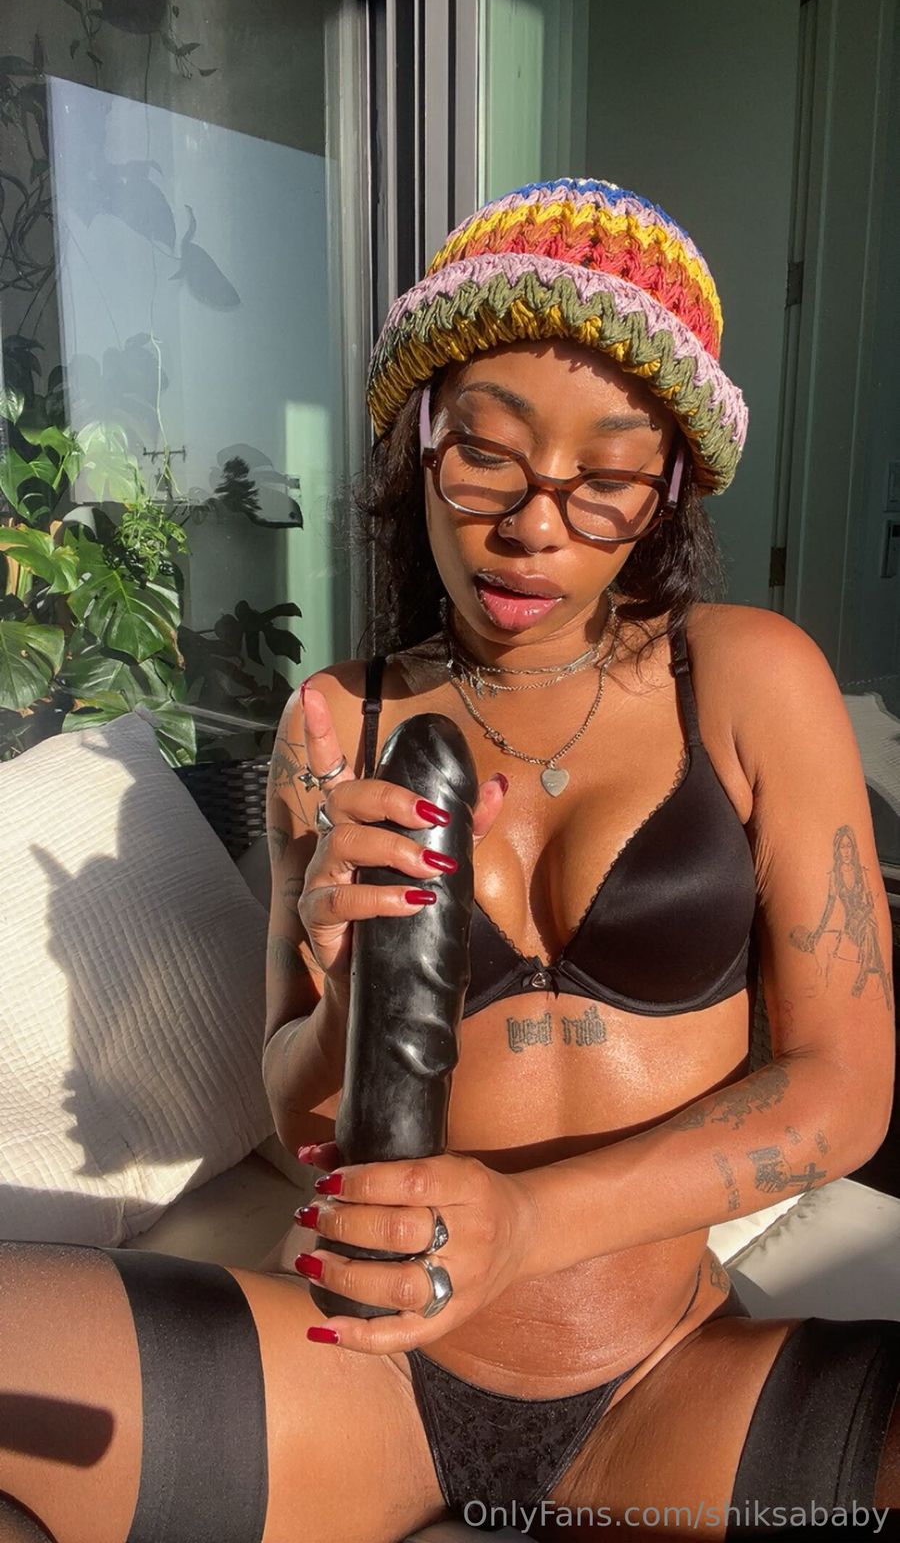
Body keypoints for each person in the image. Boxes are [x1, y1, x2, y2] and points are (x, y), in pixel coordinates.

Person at [1, 176, 897, 1543]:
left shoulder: (746, 679)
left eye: (608, 478)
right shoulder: (334, 724)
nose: (536, 524)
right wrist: (341, 989)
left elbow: (844, 1091)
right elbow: (303, 1125)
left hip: (666, 1386)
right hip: (359, 1369)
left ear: (664, 494)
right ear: (418, 441)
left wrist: (525, 1227)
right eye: (487, 453)